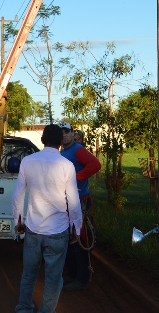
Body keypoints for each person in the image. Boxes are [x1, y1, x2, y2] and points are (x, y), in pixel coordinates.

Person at [12, 124, 82, 313]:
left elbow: (18, 195)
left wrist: (17, 221)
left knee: (29, 274)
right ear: (61, 142)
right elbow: (73, 201)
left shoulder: (27, 161)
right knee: (53, 278)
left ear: (42, 141)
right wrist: (77, 227)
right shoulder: (66, 165)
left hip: (33, 229)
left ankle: (24, 308)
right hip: (58, 230)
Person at [59, 122, 101, 291]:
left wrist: (76, 179)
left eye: (67, 132)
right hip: (67, 202)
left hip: (80, 201)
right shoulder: (62, 152)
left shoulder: (78, 150)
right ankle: (72, 274)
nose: (64, 135)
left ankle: (82, 279)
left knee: (81, 240)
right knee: (70, 239)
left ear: (72, 133)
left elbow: (95, 164)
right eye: (61, 132)